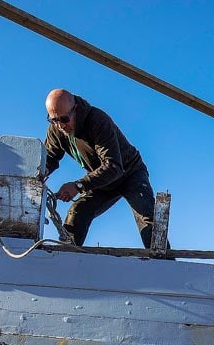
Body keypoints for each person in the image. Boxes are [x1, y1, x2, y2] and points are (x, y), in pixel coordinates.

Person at [43, 89, 161, 248]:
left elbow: (113, 166)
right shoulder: (56, 130)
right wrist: (39, 173)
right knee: (77, 212)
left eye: (64, 119)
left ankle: (166, 266)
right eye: (54, 120)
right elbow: (49, 157)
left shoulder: (97, 121)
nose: (60, 125)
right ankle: (64, 257)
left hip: (129, 173)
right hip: (103, 181)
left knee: (148, 221)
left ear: (75, 109)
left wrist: (78, 186)